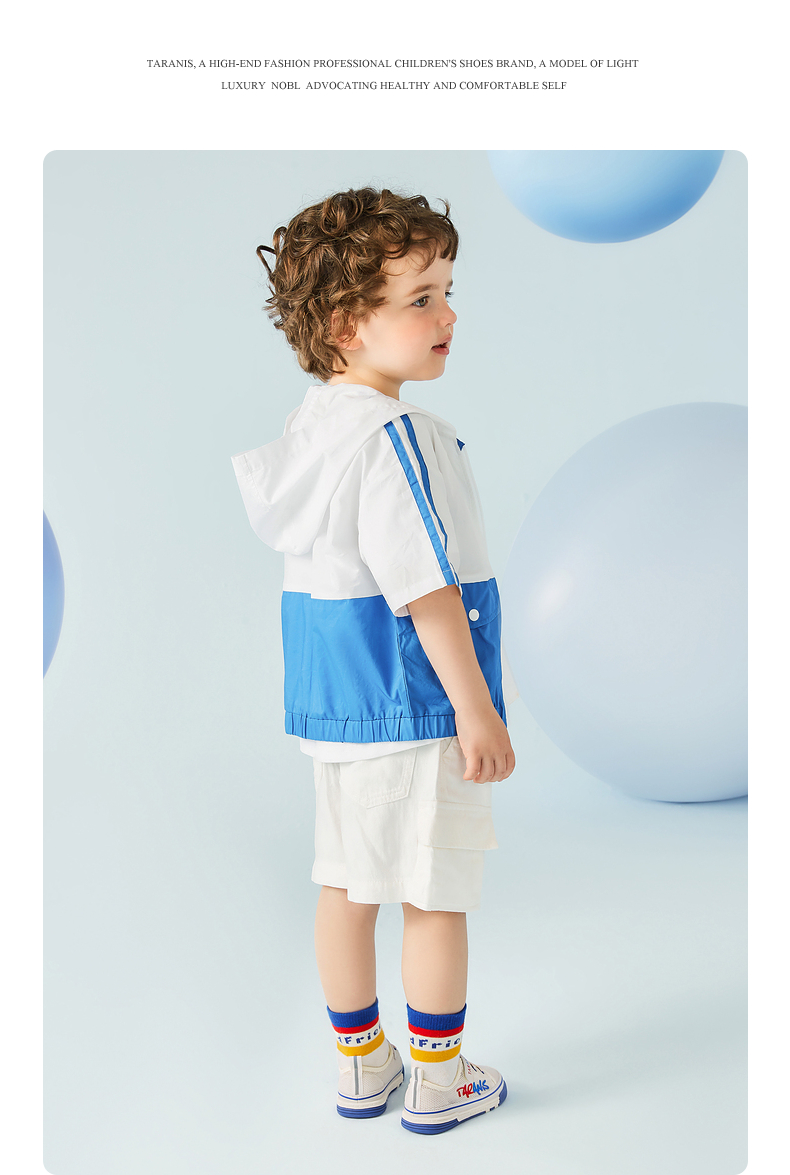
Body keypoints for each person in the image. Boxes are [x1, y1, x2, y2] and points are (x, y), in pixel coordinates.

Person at [231, 187, 516, 1133]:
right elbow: (426, 588)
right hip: (415, 702)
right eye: (422, 298)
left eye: (448, 291)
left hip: (339, 707)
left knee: (348, 885)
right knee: (433, 893)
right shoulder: (395, 438)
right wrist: (475, 709)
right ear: (347, 327)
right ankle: (439, 1080)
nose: (449, 315)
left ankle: (363, 1065)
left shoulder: (315, 432)